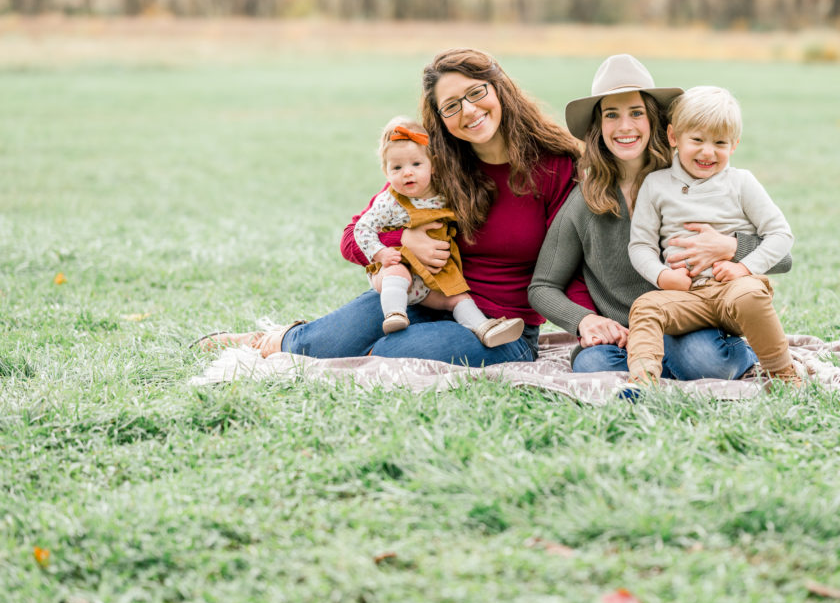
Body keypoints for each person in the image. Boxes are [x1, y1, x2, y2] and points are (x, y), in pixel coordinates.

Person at [199, 47, 587, 365]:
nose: (468, 111)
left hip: (503, 328)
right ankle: (278, 338)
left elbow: (573, 265)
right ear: (440, 119)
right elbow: (354, 236)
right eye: (451, 105)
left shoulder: (554, 167)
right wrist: (404, 242)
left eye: (475, 92)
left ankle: (344, 340)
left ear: (499, 88)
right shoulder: (435, 165)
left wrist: (590, 322)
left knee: (389, 354)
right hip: (424, 299)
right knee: (319, 348)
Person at [529, 54, 791, 380]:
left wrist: (729, 247)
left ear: (655, 121)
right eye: (612, 115)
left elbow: (783, 256)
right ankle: (660, 368)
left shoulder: (690, 179)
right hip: (626, 335)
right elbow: (542, 286)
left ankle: (715, 356)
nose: (625, 126)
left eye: (636, 113)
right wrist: (585, 320)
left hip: (691, 322)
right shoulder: (585, 202)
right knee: (591, 366)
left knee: (707, 361)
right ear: (598, 127)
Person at [626, 85, 802, 387]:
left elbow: (780, 235)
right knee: (645, 307)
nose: (708, 151)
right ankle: (642, 382)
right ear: (674, 137)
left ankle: (784, 375)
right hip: (684, 295)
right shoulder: (656, 185)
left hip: (732, 289)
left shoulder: (741, 183)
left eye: (720, 143)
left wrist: (743, 267)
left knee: (750, 295)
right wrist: (662, 277)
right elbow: (640, 245)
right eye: (697, 140)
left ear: (734, 146)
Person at [354, 116, 524, 347]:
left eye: (416, 164)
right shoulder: (389, 202)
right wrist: (381, 253)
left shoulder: (443, 195)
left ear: (432, 165)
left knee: (457, 297)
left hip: (429, 281)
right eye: (397, 167)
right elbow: (362, 228)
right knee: (398, 272)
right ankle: (395, 314)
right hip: (395, 276)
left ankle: (484, 328)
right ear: (386, 172)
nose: (407, 173)